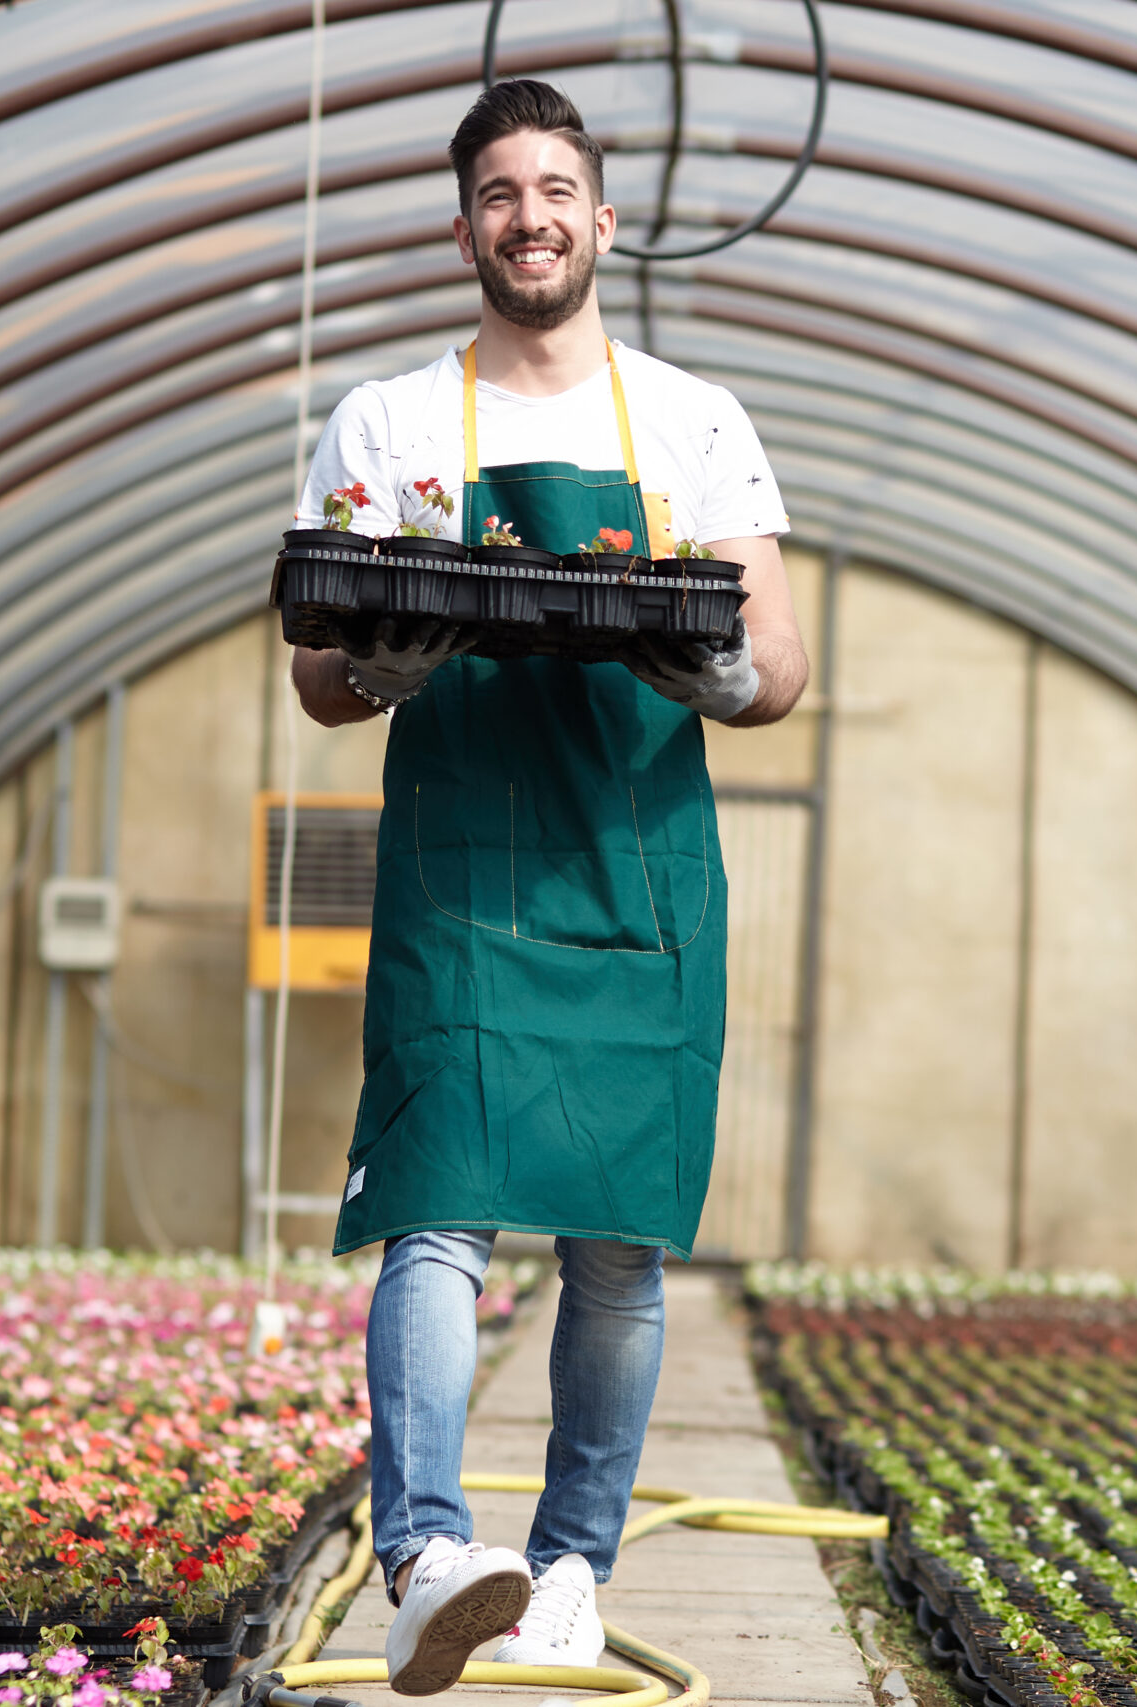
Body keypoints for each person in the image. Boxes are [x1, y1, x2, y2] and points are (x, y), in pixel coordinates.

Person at [287, 77, 807, 1696]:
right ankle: (431, 1553)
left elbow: (779, 659)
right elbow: (318, 669)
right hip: (462, 872)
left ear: (602, 213)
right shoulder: (389, 424)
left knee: (616, 1241)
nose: (532, 217)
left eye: (557, 187)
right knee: (435, 1211)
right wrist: (384, 654)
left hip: (638, 870)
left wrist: (706, 673)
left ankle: (572, 1567)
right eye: (501, 192)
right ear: (464, 228)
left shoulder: (695, 423)